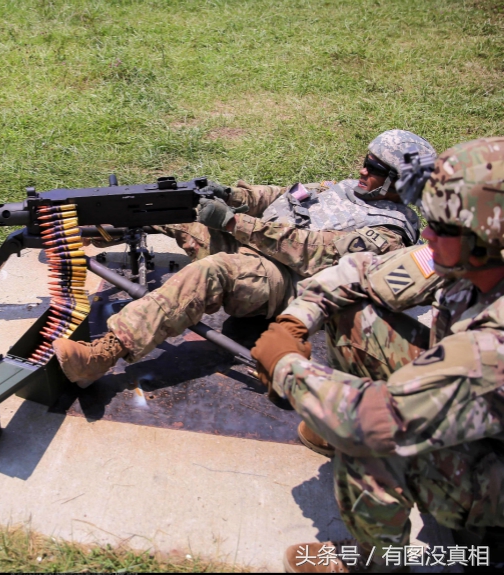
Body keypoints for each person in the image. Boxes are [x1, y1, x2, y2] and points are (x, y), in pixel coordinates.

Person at [249, 137, 504, 573]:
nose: (426, 232)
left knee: (368, 449)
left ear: (484, 241)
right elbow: (356, 273)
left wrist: (285, 366)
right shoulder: (470, 257)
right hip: (475, 415)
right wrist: (292, 325)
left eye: (441, 227)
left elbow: (371, 421)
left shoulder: (494, 345)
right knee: (356, 313)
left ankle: (378, 562)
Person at [53, 130, 434, 388]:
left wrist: (235, 222)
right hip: (257, 243)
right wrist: (232, 195)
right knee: (177, 206)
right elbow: (284, 196)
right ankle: (92, 227)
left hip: (285, 283)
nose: (363, 170)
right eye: (367, 161)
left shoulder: (390, 232)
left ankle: (102, 355)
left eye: (376, 169)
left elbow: (312, 252)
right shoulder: (350, 189)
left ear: (400, 182)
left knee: (210, 271)